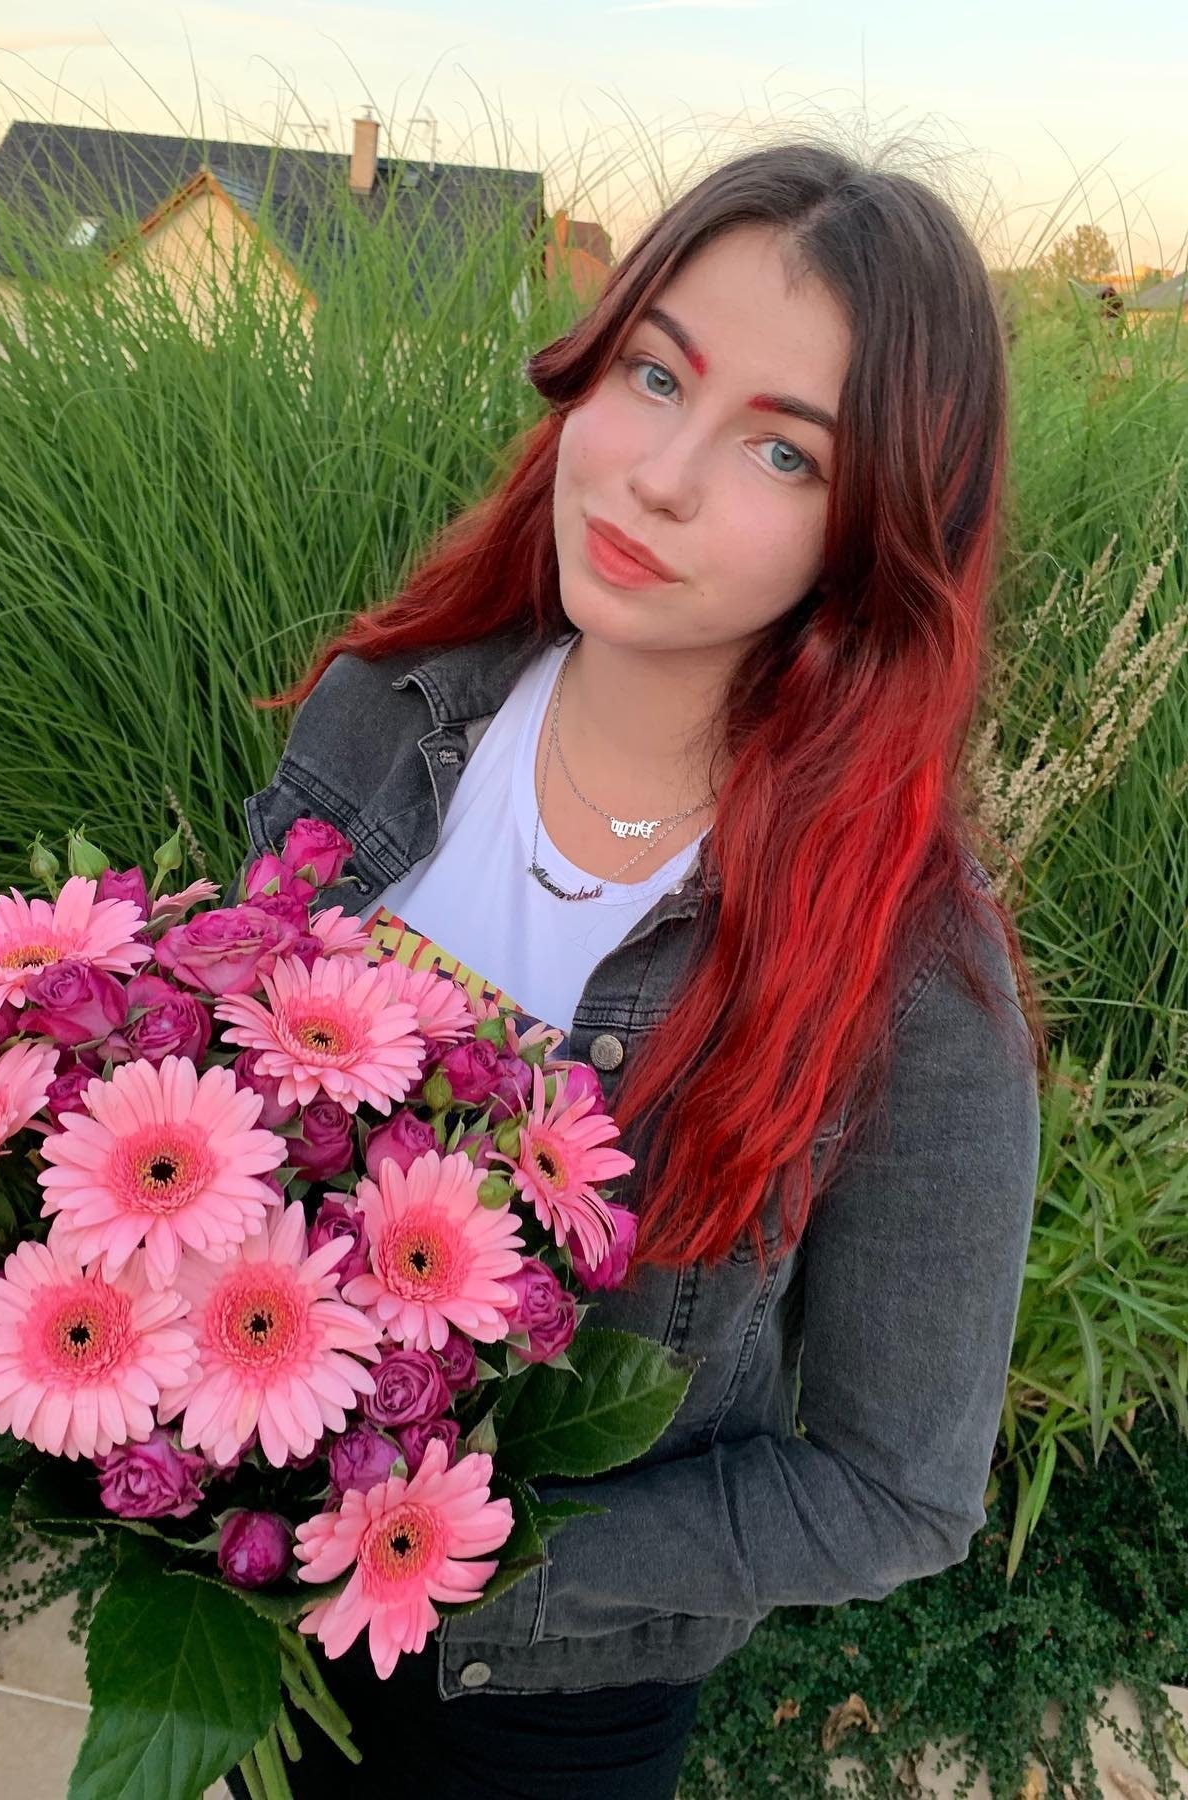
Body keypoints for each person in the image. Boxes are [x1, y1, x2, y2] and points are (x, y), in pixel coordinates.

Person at [224, 135, 1047, 1800]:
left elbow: (898, 1490)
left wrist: (462, 1554)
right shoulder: (388, 710)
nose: (661, 476)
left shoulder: (911, 970)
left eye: (782, 451)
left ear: (875, 532)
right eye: (656, 374)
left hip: (541, 1707)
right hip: (242, 1596)